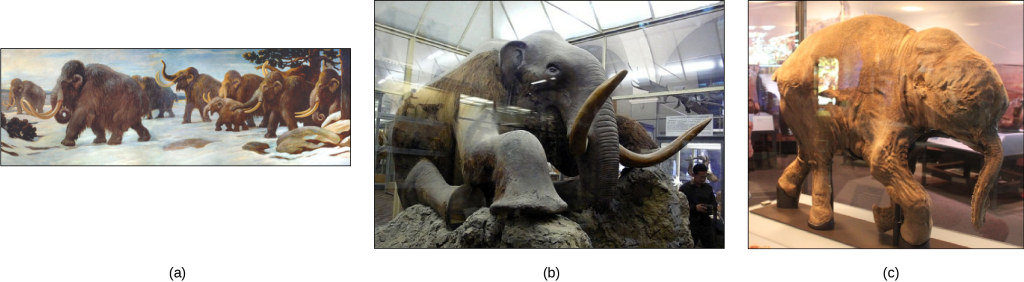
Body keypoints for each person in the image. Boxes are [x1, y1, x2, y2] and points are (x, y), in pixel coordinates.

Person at [680, 163, 718, 248]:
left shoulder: (708, 187)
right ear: (694, 175)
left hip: (706, 223)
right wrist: (695, 208)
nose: (703, 179)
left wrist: (711, 207)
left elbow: (714, 203)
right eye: (701, 177)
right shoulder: (685, 188)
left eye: (705, 177)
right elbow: (680, 206)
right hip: (691, 224)